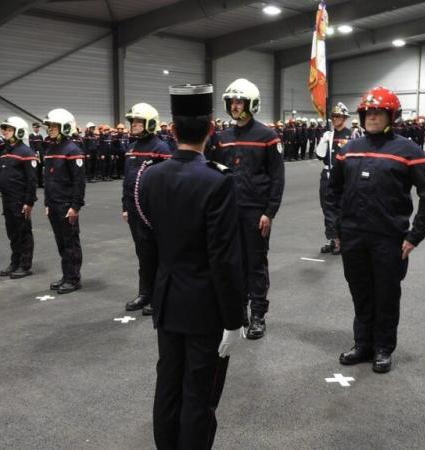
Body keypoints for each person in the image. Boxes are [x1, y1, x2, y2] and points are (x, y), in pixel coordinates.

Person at [135, 84, 244, 449]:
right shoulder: (218, 180)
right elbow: (224, 258)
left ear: (172, 129)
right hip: (204, 307)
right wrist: (233, 318)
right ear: (212, 128)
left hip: (167, 300)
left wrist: (152, 290)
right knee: (199, 393)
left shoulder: (151, 177)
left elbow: (148, 243)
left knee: (168, 385)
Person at [331, 86, 425, 373]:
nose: (372, 117)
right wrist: (337, 229)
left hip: (389, 239)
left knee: (387, 294)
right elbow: (334, 191)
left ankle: (382, 348)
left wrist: (415, 235)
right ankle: (362, 344)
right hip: (354, 237)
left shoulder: (408, 150)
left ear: (392, 115)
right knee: (361, 291)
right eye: (368, 112)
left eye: (378, 112)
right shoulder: (348, 150)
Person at [217, 78, 285, 340]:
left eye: (239, 101)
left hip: (256, 212)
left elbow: (277, 178)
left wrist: (270, 212)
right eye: (232, 101)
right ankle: (239, 311)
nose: (235, 106)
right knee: (233, 264)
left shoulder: (268, 136)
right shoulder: (222, 137)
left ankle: (258, 314)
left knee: (256, 264)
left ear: (251, 104)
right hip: (228, 212)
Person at [121, 103, 171, 315]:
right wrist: (125, 206)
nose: (134, 125)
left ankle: (158, 297)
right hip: (134, 210)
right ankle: (145, 293)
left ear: (150, 123)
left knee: (157, 254)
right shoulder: (132, 148)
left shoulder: (161, 148)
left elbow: (166, 183)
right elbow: (128, 181)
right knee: (143, 254)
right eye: (133, 121)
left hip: (153, 212)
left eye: (138, 122)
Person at [43, 108, 86, 294]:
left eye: (54, 125)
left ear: (65, 127)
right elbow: (47, 179)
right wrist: (46, 203)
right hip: (53, 204)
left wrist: (75, 206)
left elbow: (79, 181)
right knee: (61, 242)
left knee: (70, 242)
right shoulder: (51, 148)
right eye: (50, 125)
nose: (50, 129)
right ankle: (66, 275)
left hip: (66, 205)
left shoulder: (73, 150)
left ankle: (73, 278)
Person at [0, 117, 38, 279]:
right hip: (7, 200)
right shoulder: (5, 152)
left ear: (19, 131)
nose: (4, 131)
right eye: (4, 128)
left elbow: (32, 180)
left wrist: (29, 202)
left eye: (8, 128)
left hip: (20, 200)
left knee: (23, 233)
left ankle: (24, 265)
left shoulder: (27, 152)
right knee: (12, 233)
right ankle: (15, 262)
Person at [315, 102, 351, 255]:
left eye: (338, 116)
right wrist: (323, 141)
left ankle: (342, 240)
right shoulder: (329, 135)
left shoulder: (352, 135)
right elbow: (320, 155)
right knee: (327, 209)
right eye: (334, 116)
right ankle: (332, 239)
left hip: (344, 177)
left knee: (341, 209)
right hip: (328, 175)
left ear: (344, 118)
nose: (335, 119)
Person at [29, 123, 45, 188]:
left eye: (38, 128)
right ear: (33, 128)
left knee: (40, 168)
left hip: (41, 154)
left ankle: (40, 183)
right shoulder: (31, 136)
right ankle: (35, 183)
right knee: (35, 169)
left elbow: (42, 146)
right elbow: (31, 146)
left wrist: (43, 154)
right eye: (36, 127)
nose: (37, 129)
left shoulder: (40, 136)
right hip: (35, 154)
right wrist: (34, 154)